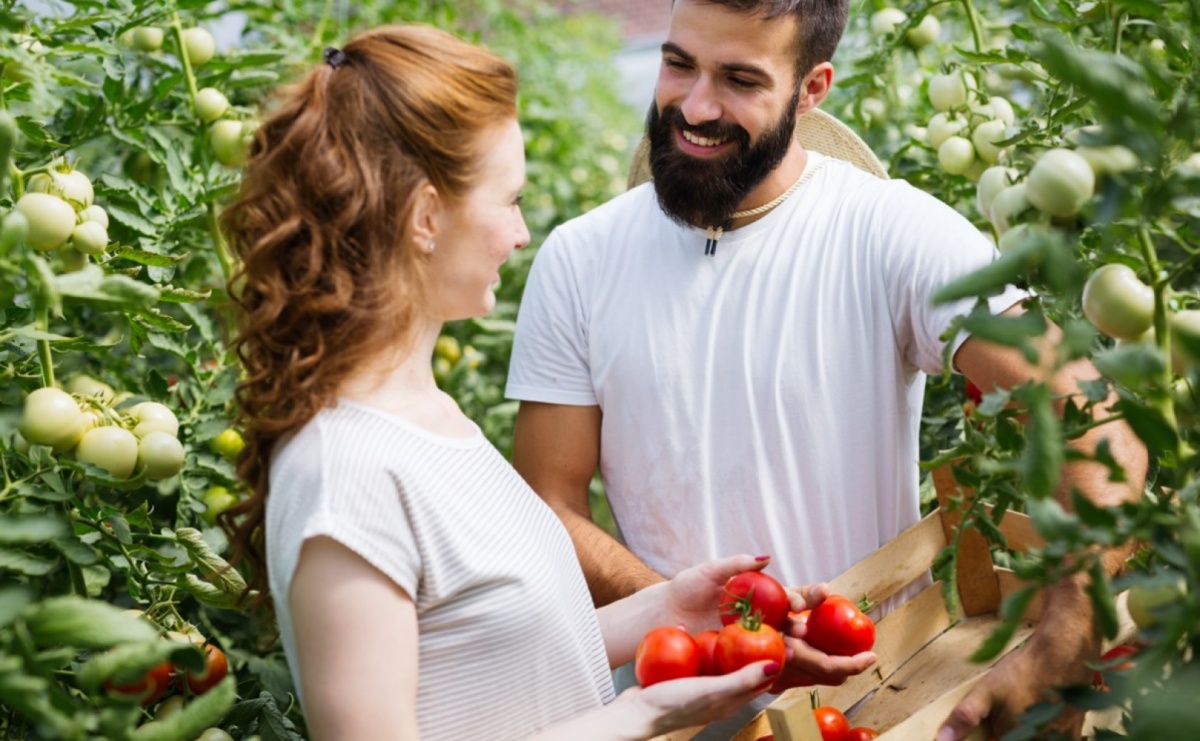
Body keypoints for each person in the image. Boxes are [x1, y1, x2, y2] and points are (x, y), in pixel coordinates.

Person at [504, 1, 1148, 740]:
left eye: (740, 79)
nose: (695, 105)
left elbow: (1092, 420)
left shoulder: (892, 234)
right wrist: (695, 616)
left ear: (812, 89)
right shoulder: (580, 261)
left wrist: (1065, 640)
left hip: (878, 701)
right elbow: (548, 504)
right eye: (679, 63)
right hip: (665, 712)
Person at [219, 23, 802, 741]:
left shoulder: (429, 417)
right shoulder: (346, 475)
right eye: (511, 199)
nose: (523, 233)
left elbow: (493, 654)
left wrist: (663, 611)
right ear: (425, 216)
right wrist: (633, 716)